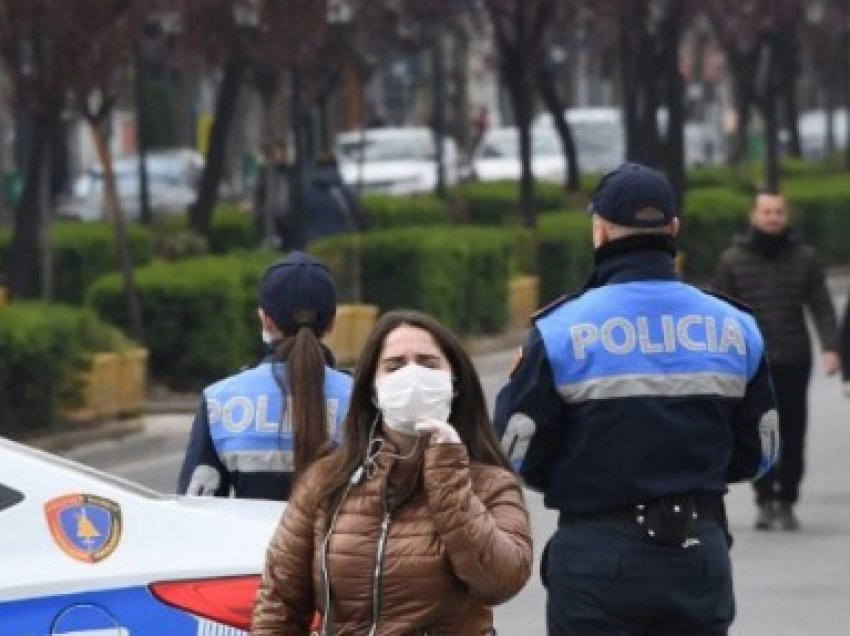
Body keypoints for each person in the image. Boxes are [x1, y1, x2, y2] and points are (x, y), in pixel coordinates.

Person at [495, 162, 779, 636]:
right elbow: (761, 454)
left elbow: (516, 451)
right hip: (698, 552)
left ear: (600, 232)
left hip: (596, 554)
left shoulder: (561, 330)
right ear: (674, 229)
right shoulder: (735, 326)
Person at [251, 309, 533, 635]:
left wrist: (447, 472)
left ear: (454, 383)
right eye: (395, 365)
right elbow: (279, 604)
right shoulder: (326, 481)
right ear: (373, 388)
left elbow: (501, 581)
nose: (412, 375)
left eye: (428, 363)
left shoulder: (490, 484)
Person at [177, 252, 353, 501]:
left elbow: (193, 508)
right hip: (336, 541)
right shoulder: (363, 398)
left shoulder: (220, 399)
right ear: (332, 322)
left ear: (266, 320)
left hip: (249, 541)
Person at [713, 192, 839, 531]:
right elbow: (720, 313)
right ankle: (764, 497)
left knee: (793, 432)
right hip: (752, 362)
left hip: (794, 358)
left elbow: (822, 306)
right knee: (759, 430)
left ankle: (787, 499)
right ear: (753, 216)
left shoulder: (805, 258)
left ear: (787, 216)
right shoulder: (733, 260)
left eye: (779, 212)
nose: (772, 218)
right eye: (766, 212)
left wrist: (831, 348)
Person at [303, 152, 367, 245]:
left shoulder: (308, 192)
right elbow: (356, 214)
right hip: (341, 239)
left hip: (316, 241)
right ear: (336, 167)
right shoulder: (341, 191)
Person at [254, 139, 293, 249]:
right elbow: (259, 194)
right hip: (270, 216)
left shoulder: (289, 172)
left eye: (283, 152)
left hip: (286, 216)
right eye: (278, 152)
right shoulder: (264, 173)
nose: (281, 156)